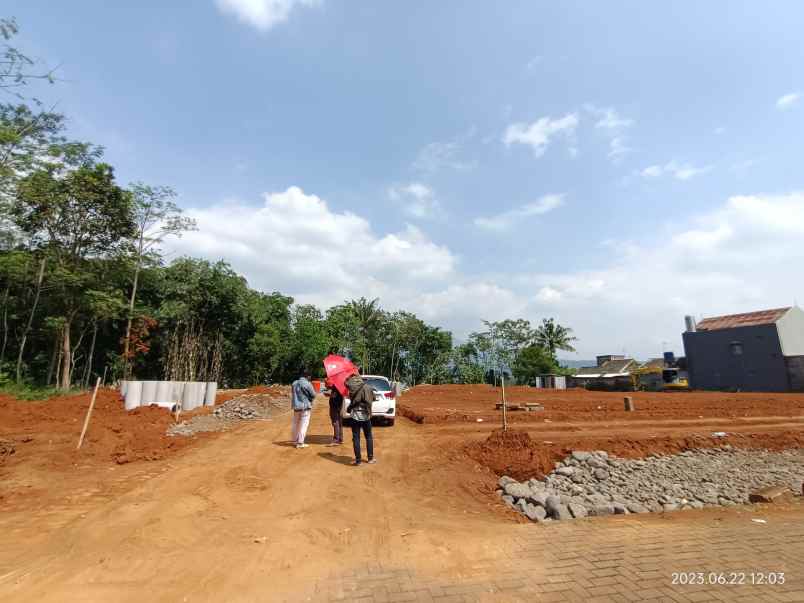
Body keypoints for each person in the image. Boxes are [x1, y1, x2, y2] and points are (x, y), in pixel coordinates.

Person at [345, 373, 376, 465]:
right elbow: (373, 398)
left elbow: (345, 383)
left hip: (355, 416)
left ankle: (358, 461)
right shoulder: (368, 387)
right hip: (366, 416)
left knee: (356, 438)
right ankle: (370, 459)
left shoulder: (350, 386)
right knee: (369, 437)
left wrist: (348, 376)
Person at [290, 369, 317, 449]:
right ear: (308, 376)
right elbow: (313, 395)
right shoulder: (307, 384)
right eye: (310, 376)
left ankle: (294, 440)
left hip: (296, 407)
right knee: (303, 425)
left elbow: (293, 393)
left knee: (295, 424)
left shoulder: (294, 383)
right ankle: (300, 442)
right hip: (305, 407)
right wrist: (310, 399)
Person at [326, 380, 344, 446]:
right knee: (339, 422)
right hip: (339, 405)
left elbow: (334, 395)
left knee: (335, 422)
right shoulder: (342, 385)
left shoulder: (336, 386)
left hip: (335, 406)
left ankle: (336, 439)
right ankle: (340, 439)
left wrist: (328, 395)